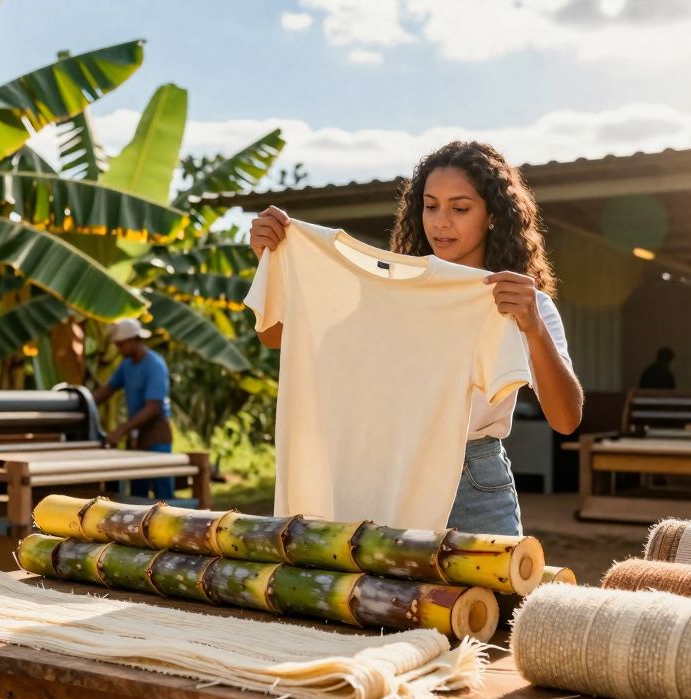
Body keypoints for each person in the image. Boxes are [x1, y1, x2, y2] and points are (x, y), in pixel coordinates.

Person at [248, 140, 583, 535]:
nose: (441, 222)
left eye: (460, 208)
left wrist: (532, 327)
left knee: (494, 599)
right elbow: (280, 338)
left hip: (470, 480)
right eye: (430, 205)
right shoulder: (389, 293)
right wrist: (270, 260)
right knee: (384, 598)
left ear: (493, 215)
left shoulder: (522, 302)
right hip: (382, 471)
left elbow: (566, 419)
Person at [94, 318, 175, 499]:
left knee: (164, 495)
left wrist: (120, 430)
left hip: (156, 436)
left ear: (133, 340)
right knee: (138, 496)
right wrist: (85, 403)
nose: (119, 349)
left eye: (121, 344)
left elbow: (153, 407)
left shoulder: (154, 365)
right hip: (136, 438)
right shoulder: (127, 366)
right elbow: (107, 390)